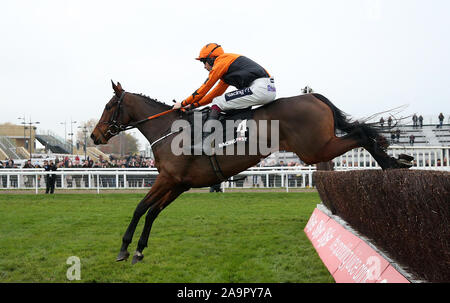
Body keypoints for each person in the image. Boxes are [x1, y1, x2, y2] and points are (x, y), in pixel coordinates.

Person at [172, 43, 276, 153]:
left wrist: (182, 103)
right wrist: (193, 105)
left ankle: (205, 143)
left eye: (204, 61)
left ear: (211, 59)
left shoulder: (221, 62)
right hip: (265, 88)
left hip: (260, 88)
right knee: (221, 102)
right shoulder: (226, 66)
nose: (204, 66)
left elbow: (205, 88)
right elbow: (214, 94)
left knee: (219, 102)